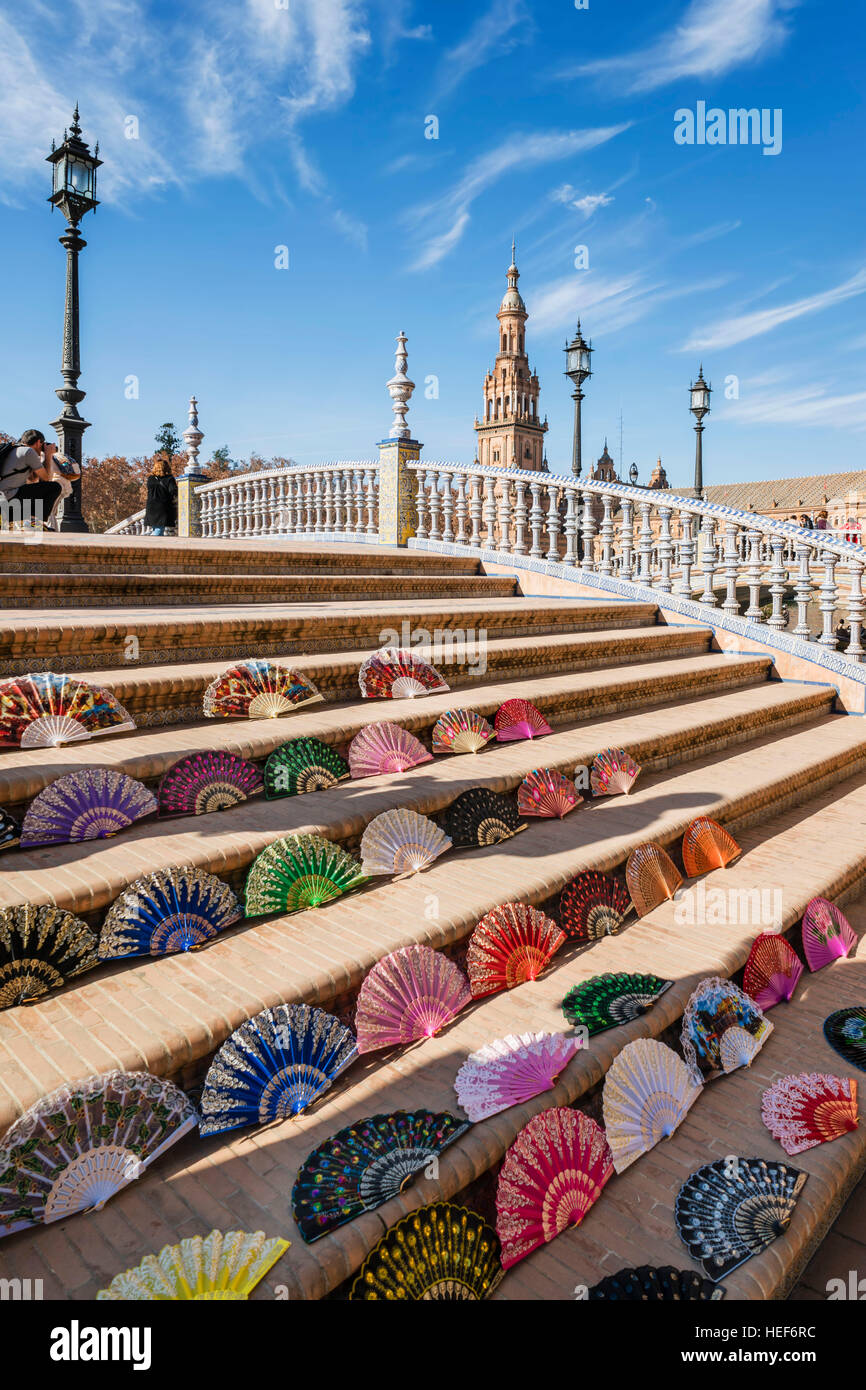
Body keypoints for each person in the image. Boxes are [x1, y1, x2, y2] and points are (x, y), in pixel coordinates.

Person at [0, 430, 65, 529]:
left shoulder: (15, 450)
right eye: (43, 444)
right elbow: (46, 479)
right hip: (9, 498)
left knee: (38, 494)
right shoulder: (28, 451)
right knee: (55, 487)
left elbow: (34, 480)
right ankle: (35, 524)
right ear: (39, 442)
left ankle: (28, 522)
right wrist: (48, 456)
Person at [144, 457, 178, 535]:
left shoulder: (150, 479)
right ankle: (150, 545)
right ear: (166, 468)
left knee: (155, 528)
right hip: (162, 508)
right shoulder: (169, 479)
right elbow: (173, 491)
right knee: (159, 530)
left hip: (151, 507)